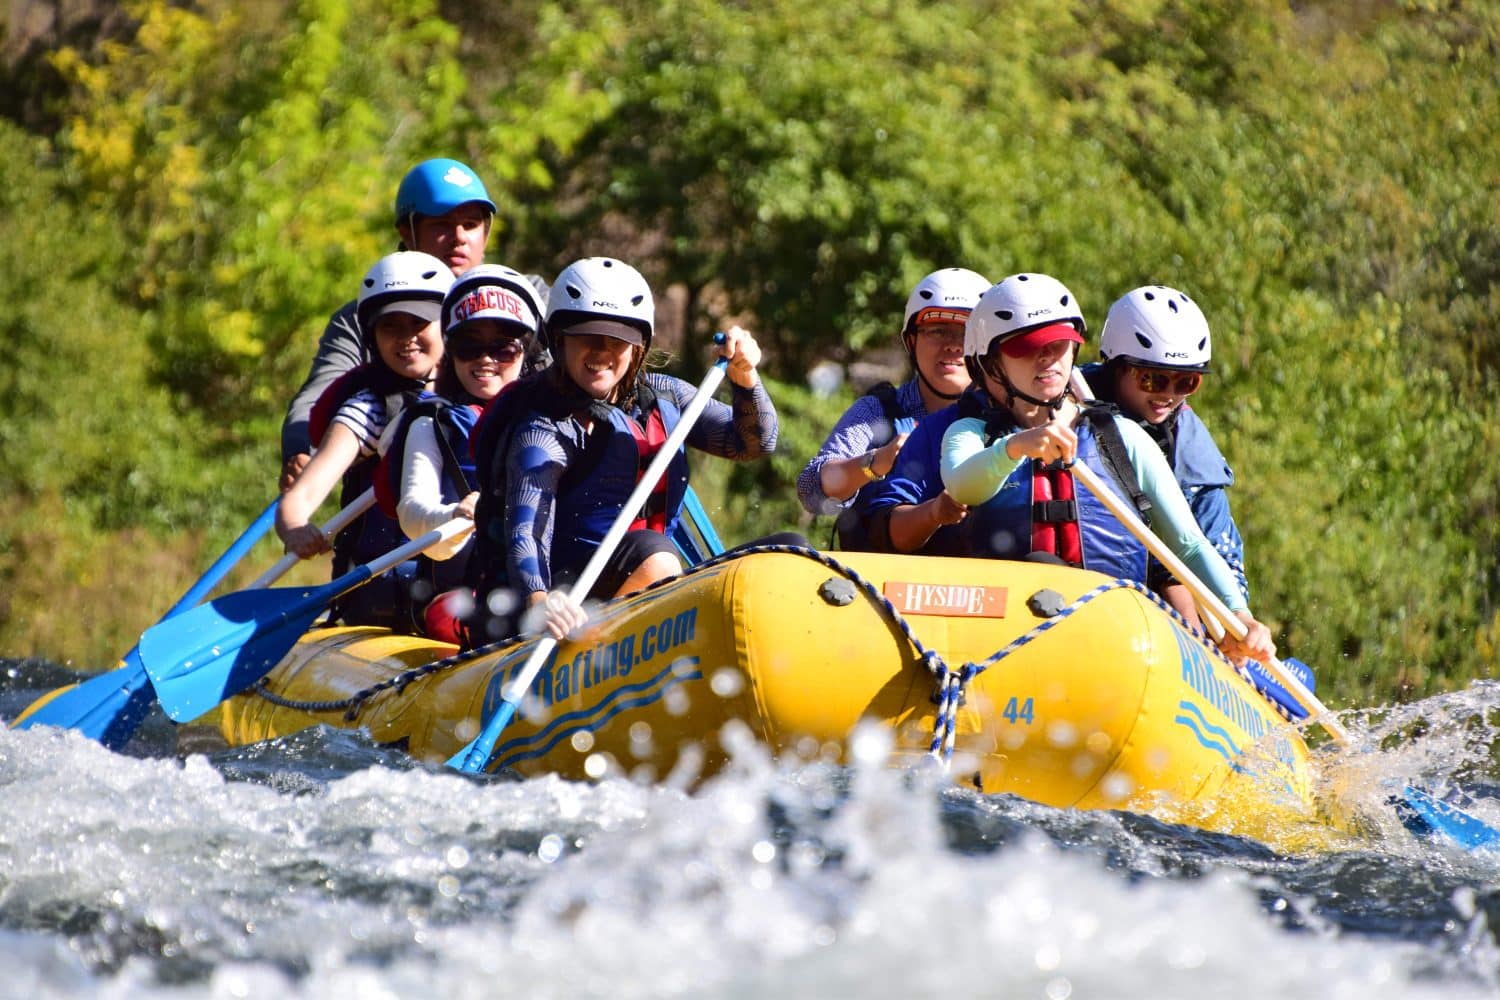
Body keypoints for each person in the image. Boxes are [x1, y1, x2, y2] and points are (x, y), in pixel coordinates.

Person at [937, 272, 1274, 664]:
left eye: (1060, 345)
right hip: (1003, 641)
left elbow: (1189, 545)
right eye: (1028, 349)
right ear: (991, 364)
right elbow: (962, 486)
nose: (1048, 358)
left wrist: (1238, 614)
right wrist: (1013, 449)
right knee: (1040, 569)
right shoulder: (971, 434)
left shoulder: (1123, 436)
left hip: (1115, 644)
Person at [466, 257, 782, 644]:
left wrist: (746, 378)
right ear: (558, 340)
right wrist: (539, 599)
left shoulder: (667, 396)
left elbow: (754, 442)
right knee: (653, 551)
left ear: (638, 347)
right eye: (587, 337)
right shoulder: (544, 425)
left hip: (651, 576)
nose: (601, 352)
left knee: (784, 554)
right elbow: (526, 531)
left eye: (616, 340)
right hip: (557, 607)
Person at [280, 158, 547, 491]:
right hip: (401, 488)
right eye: (441, 225)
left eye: (471, 224)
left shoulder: (528, 296)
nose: (459, 238)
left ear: (486, 230)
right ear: (407, 231)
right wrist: (300, 450)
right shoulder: (365, 314)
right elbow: (316, 397)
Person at [274, 251, 453, 628]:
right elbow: (298, 500)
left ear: (447, 327)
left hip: (463, 590)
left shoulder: (477, 398)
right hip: (384, 595)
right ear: (372, 336)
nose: (407, 339)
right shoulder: (370, 409)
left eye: (420, 323)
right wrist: (295, 529)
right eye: (391, 327)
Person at [378, 265, 545, 642]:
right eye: (470, 345)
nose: (485, 359)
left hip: (543, 586)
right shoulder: (432, 424)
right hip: (460, 590)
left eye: (502, 346)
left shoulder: (555, 423)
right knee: (451, 620)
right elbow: (412, 513)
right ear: (451, 354)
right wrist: (454, 513)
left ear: (527, 352)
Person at [1079, 285, 1249, 625]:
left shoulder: (1196, 457)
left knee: (1180, 594)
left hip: (1157, 607)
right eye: (1153, 379)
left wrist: (1237, 617)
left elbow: (1217, 549)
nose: (1169, 396)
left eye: (1186, 382)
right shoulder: (1063, 403)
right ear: (1115, 368)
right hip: (1080, 582)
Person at [797, 267, 990, 550]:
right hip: (877, 585)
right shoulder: (878, 412)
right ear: (911, 341)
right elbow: (811, 489)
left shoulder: (1009, 415)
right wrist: (875, 462)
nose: (952, 346)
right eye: (938, 331)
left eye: (965, 334)